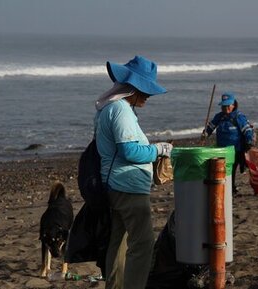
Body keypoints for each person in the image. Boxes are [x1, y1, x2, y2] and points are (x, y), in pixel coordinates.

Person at [94, 55, 172, 289]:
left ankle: (115, 285)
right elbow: (130, 151)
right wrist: (159, 149)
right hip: (128, 186)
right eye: (146, 92)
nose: (148, 97)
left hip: (116, 184)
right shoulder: (121, 111)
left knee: (119, 241)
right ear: (133, 88)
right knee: (143, 243)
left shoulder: (111, 107)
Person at [202, 92, 255, 193]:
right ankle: (230, 188)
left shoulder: (239, 117)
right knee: (226, 169)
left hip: (236, 149)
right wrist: (205, 133)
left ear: (233, 105)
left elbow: (247, 130)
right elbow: (211, 127)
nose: (225, 108)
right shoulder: (219, 116)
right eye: (223, 106)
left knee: (234, 168)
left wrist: (249, 142)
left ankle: (238, 186)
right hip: (222, 150)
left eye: (228, 106)